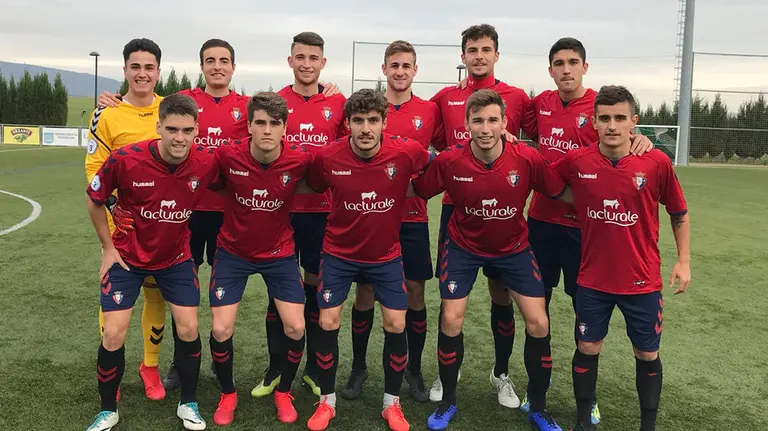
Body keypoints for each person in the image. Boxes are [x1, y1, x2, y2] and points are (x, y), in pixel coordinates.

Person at [97, 38, 252, 389]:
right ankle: (176, 368)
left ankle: (218, 360)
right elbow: (140, 103)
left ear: (233, 67)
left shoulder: (247, 106)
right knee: (177, 288)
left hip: (228, 212)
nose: (217, 66)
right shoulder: (178, 101)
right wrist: (111, 101)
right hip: (186, 212)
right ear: (201, 66)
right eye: (210, 60)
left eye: (223, 60)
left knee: (222, 291)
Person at [412, 89, 565, 431]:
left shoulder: (526, 158)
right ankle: (448, 401)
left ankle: (538, 406)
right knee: (451, 318)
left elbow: (560, 190)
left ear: (504, 123)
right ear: (466, 124)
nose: (485, 128)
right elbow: (416, 190)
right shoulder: (450, 160)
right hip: (462, 246)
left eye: (492, 120)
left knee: (539, 322)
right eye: (477, 120)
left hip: (513, 248)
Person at [517, 37, 653, 420]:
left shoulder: (599, 108)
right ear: (550, 70)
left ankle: (586, 397)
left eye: (573, 62)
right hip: (541, 224)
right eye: (558, 63)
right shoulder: (540, 104)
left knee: (586, 315)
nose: (566, 69)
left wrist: (640, 138)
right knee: (536, 314)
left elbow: (620, 142)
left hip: (585, 231)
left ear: (585, 67)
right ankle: (536, 390)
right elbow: (506, 114)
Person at [551, 85, 690, 431]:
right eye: (605, 119)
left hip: (641, 281)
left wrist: (683, 260)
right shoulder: (577, 161)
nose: (612, 125)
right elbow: (544, 180)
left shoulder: (656, 162)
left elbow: (678, 213)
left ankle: (648, 425)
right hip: (593, 280)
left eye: (620, 118)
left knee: (646, 354)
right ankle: (583, 420)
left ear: (634, 123)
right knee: (588, 346)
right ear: (594, 123)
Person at [84, 94, 215, 431]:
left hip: (176, 259)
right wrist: (107, 246)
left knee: (188, 328)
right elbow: (94, 199)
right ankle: (106, 409)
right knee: (113, 333)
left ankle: (189, 403)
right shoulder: (126, 158)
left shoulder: (206, 163)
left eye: (187, 130)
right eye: (171, 129)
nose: (179, 138)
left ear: (197, 130)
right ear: (158, 127)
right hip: (127, 258)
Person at [304, 88, 430, 431]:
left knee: (396, 322)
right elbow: (314, 184)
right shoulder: (328, 157)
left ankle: (392, 404)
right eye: (358, 120)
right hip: (338, 254)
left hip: (386, 256)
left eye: (373, 120)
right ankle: (326, 403)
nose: (365, 128)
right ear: (347, 124)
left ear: (384, 123)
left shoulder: (407, 153)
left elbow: (436, 166)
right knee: (328, 320)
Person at [427, 24, 531, 407]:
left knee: (501, 295)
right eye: (472, 49)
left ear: (496, 55)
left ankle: (501, 374)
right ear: (463, 55)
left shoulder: (517, 97)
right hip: (458, 212)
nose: (479, 56)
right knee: (451, 301)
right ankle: (445, 373)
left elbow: (538, 141)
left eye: (486, 49)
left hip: (503, 217)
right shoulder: (443, 98)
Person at [340, 40, 441, 403]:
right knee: (364, 291)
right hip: (368, 219)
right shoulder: (365, 107)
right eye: (393, 65)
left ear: (415, 71)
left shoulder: (431, 111)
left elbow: (444, 155)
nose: (400, 71)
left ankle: (412, 369)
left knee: (414, 292)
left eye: (406, 65)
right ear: (384, 70)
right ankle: (358, 369)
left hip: (411, 220)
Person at [205, 92, 313, 426]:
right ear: (249, 125)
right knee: (221, 329)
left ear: (285, 127)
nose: (267, 130)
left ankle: (284, 391)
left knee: (296, 326)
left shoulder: (300, 160)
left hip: (279, 253)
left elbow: (322, 182)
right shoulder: (226, 156)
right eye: (260, 123)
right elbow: (209, 182)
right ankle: (227, 393)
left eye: (274, 124)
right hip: (232, 252)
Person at [253, 31, 347, 399]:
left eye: (313, 58)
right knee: (278, 292)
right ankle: (276, 367)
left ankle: (312, 367)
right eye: (300, 57)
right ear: (290, 61)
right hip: (281, 212)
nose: (306, 64)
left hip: (323, 213)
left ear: (323, 63)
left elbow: (349, 146)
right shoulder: (275, 103)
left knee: (317, 293)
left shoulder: (337, 102)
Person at [84, 37, 169, 402]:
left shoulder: (173, 110)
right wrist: (116, 203)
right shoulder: (106, 113)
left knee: (157, 295)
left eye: (149, 67)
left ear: (158, 72)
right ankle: (112, 372)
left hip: (165, 227)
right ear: (125, 71)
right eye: (135, 67)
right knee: (115, 301)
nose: (142, 74)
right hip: (124, 227)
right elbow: (93, 169)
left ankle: (150, 366)